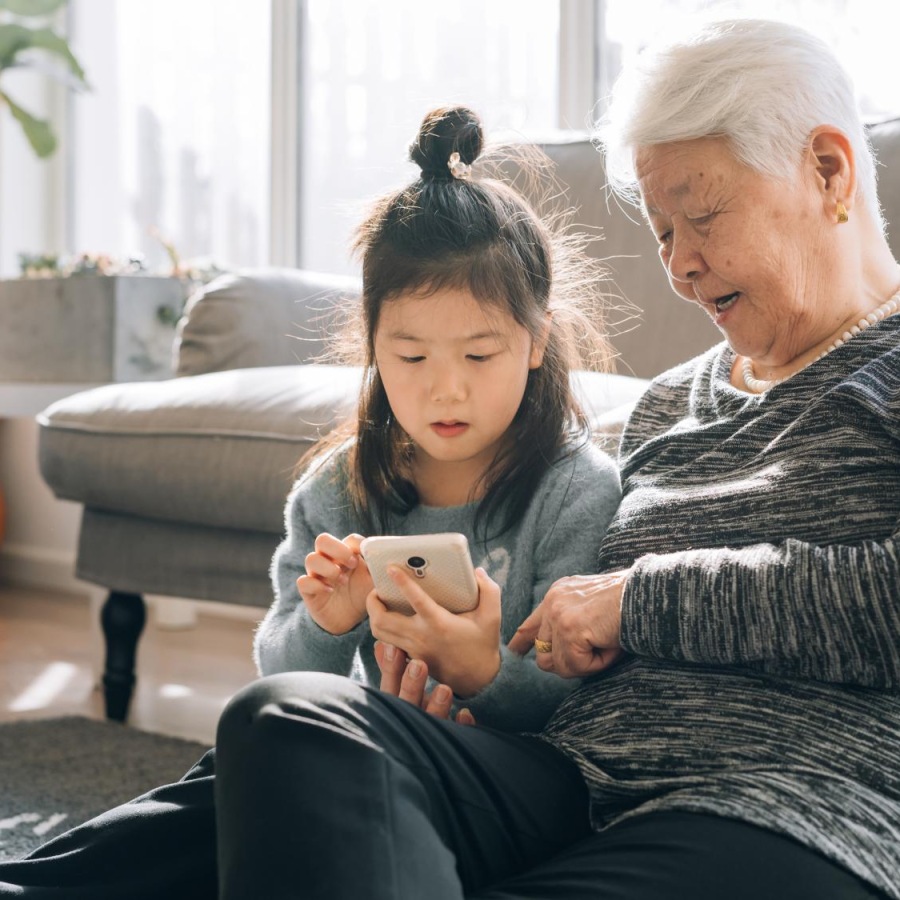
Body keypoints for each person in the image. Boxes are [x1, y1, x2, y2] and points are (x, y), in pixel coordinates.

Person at [209, 18, 899, 900]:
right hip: (565, 784)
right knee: (287, 721)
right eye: (661, 231)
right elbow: (563, 658)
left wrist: (640, 601)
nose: (682, 267)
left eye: (703, 215)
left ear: (829, 171)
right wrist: (465, 692)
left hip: (793, 807)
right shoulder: (667, 403)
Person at [0, 106, 621, 897]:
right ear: (372, 347)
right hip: (362, 765)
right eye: (410, 354)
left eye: (479, 352)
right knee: (236, 773)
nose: (446, 386)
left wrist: (482, 673)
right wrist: (329, 625)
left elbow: (590, 716)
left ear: (536, 343)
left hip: (514, 791)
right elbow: (279, 671)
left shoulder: (575, 491)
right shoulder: (339, 490)